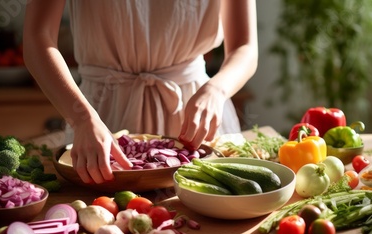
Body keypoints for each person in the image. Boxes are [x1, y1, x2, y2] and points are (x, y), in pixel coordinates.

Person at [23, 0, 258, 184]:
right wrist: (82, 118)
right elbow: (37, 38)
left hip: (198, 109)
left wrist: (216, 90)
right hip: (97, 115)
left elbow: (244, 47)